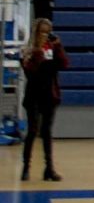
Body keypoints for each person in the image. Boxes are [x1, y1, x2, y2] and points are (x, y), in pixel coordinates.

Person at [20, 18, 69, 182]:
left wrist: (58, 46)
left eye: (48, 32)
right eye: (42, 32)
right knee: (33, 131)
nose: (45, 35)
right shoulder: (29, 51)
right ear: (36, 33)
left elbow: (64, 64)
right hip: (33, 95)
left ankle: (49, 169)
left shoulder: (53, 48)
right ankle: (26, 167)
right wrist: (38, 52)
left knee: (47, 132)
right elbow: (30, 72)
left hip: (50, 95)